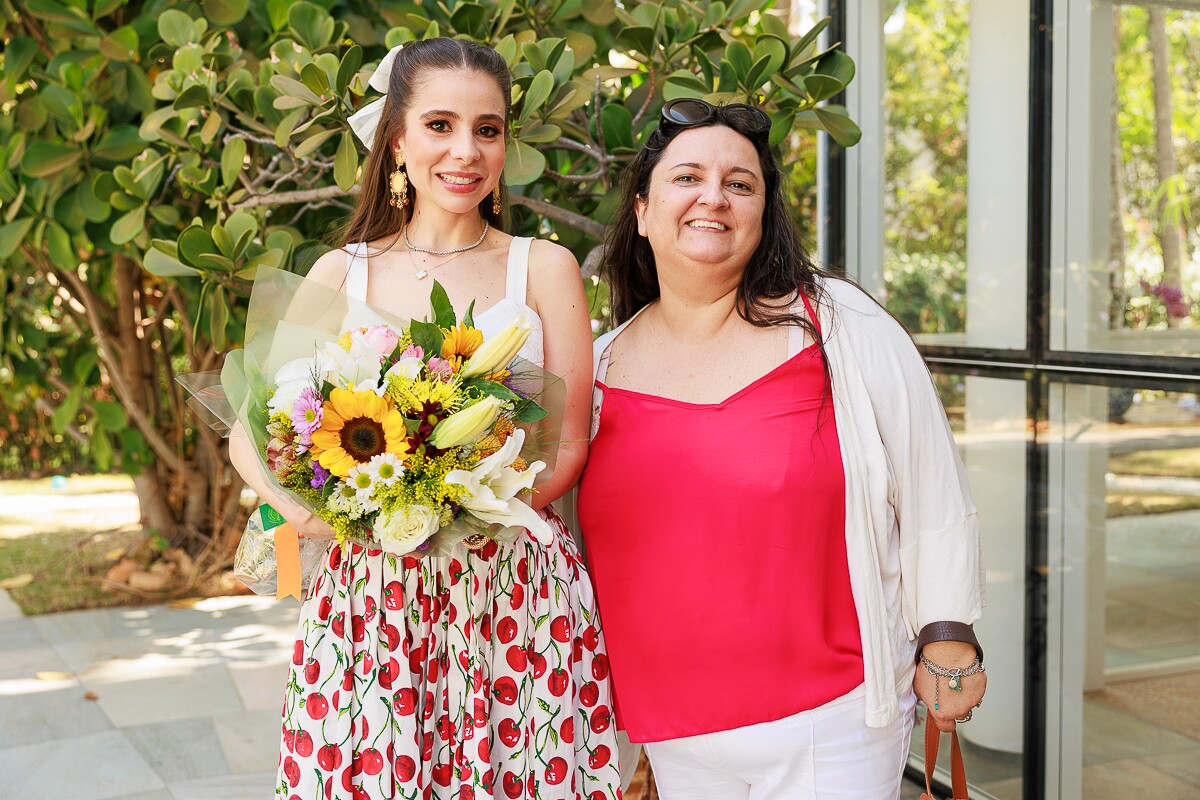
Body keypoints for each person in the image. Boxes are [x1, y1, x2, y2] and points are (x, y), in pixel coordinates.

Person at [229, 38, 623, 800]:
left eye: (488, 129)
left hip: (515, 593)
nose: (465, 151)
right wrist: (307, 513)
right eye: (440, 125)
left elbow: (569, 444)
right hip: (369, 596)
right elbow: (254, 429)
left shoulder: (542, 268)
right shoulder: (341, 270)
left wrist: (455, 508)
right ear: (398, 140)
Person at [575, 98, 987, 799]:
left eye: (741, 184)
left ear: (762, 215)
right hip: (668, 734)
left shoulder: (839, 328)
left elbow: (932, 485)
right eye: (688, 178)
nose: (715, 196)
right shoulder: (594, 369)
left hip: (833, 725)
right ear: (641, 211)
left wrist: (949, 638)